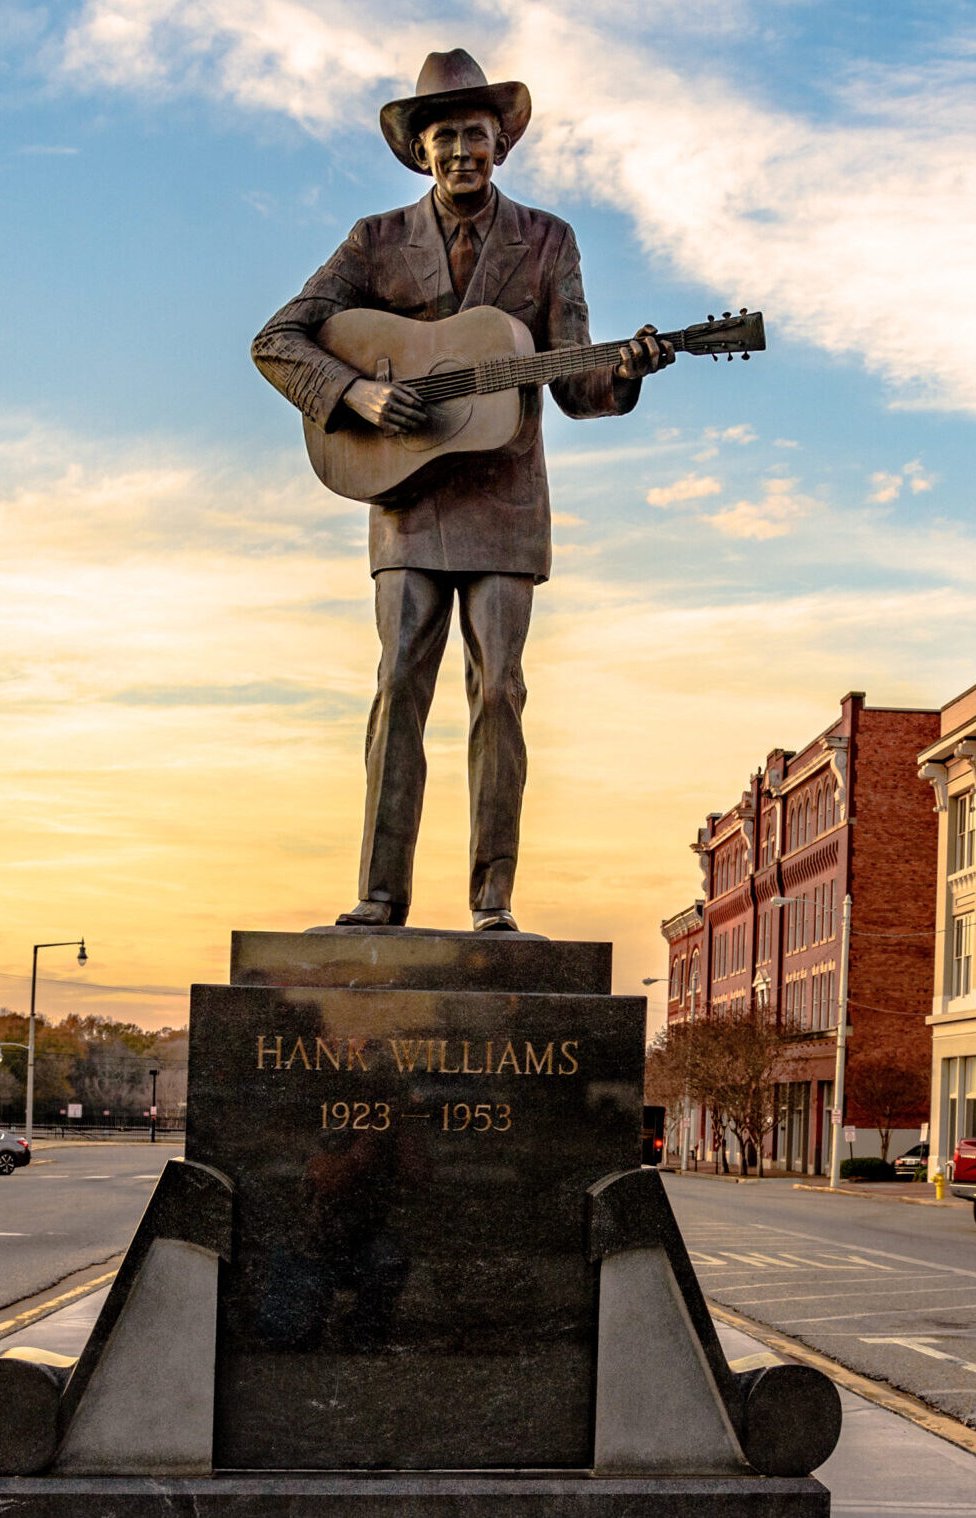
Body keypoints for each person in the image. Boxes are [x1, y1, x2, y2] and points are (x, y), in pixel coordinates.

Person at [253, 48, 671, 933]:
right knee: (398, 680)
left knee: (498, 691)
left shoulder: (550, 240)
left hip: (505, 499)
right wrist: (359, 393)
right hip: (404, 497)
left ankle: (492, 900)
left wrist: (625, 375)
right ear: (420, 150)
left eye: (475, 133)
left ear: (501, 142)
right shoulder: (373, 243)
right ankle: (379, 894)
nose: (460, 151)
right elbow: (277, 340)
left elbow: (576, 384)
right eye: (444, 136)